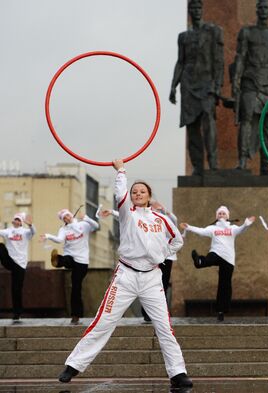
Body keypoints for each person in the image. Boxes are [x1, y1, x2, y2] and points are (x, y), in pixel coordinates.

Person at [57, 159, 192, 390]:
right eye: (135, 191)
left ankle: (178, 373)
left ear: (149, 196)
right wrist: (121, 171)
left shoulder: (162, 220)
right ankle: (74, 365)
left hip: (151, 278)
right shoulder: (127, 212)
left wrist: (161, 254)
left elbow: (177, 241)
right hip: (126, 276)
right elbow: (120, 192)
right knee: (104, 321)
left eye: (142, 191)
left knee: (164, 327)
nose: (138, 194)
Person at [100, 201, 178, 323]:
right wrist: (111, 212)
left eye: (158, 208)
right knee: (148, 285)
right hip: (151, 259)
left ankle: (161, 315)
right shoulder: (144, 220)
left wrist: (165, 209)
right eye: (153, 208)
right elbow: (127, 217)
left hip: (167, 258)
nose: (156, 210)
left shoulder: (165, 219)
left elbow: (174, 222)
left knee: (163, 285)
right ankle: (147, 314)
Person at [169, 0, 224, 175]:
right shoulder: (183, 36)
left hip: (207, 83)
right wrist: (173, 86)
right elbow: (180, 61)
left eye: (199, 8)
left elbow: (218, 60)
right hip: (187, 83)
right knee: (191, 126)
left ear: (202, 10)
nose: (196, 11)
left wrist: (217, 86)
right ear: (189, 11)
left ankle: (213, 162)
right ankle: (197, 166)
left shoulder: (212, 32)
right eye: (193, 8)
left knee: (209, 120)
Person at [232, 0, 268, 175]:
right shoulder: (247, 32)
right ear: (257, 11)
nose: (263, 11)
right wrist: (236, 80)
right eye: (260, 8)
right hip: (250, 83)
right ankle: (242, 162)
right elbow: (240, 57)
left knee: (267, 128)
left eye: (266, 8)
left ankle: (265, 167)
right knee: (246, 121)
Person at [181, 206, 255, 322]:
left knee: (225, 285)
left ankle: (221, 310)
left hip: (228, 258)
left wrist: (246, 224)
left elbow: (241, 229)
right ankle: (200, 261)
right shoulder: (213, 228)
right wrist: (189, 227)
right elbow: (201, 231)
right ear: (216, 216)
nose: (221, 215)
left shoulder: (232, 228)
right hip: (216, 252)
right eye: (219, 214)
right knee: (209, 259)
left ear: (227, 216)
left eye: (223, 214)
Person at [41, 209, 99, 325]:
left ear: (71, 214)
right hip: (70, 256)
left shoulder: (83, 225)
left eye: (67, 216)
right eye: (64, 218)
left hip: (82, 261)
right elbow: (59, 240)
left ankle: (76, 315)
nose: (66, 218)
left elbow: (96, 226)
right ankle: (58, 260)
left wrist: (86, 218)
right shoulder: (64, 229)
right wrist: (48, 236)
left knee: (76, 288)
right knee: (66, 259)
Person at [0, 212, 35, 321]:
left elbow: (33, 232)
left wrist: (30, 225)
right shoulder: (8, 231)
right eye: (15, 219)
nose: (16, 221)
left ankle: (17, 313)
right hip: (10, 261)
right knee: (0, 246)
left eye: (19, 220)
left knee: (16, 289)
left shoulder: (25, 232)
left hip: (20, 264)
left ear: (21, 222)